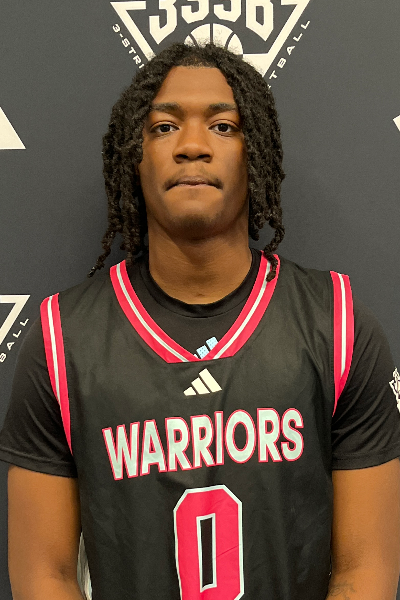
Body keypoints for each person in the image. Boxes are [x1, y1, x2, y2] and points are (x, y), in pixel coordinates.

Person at [1, 40, 400, 600]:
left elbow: (366, 569)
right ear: (133, 156)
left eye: (223, 126)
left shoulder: (336, 325)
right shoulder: (60, 340)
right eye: (164, 127)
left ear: (256, 154)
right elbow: (45, 575)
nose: (192, 146)